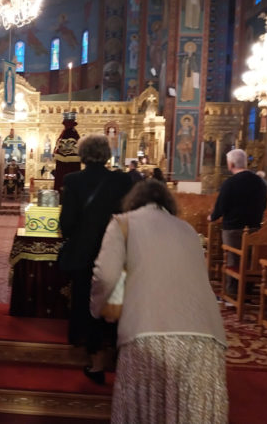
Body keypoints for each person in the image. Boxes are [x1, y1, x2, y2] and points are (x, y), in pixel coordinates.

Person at [91, 180, 227, 422]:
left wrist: (96, 307)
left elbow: (106, 275)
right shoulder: (187, 229)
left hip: (149, 335)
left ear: (133, 202)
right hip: (206, 335)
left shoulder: (122, 223)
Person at [59, 134, 132, 384]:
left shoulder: (73, 181)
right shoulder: (123, 181)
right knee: (114, 299)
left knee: (87, 301)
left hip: (83, 252)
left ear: (82, 155)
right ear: (107, 155)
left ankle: (95, 358)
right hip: (116, 250)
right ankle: (116, 354)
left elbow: (67, 224)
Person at [208, 149, 267, 292]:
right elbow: (264, 204)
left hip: (233, 228)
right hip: (254, 228)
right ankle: (247, 290)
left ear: (231, 164)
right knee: (249, 260)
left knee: (233, 260)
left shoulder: (230, 183)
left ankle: (232, 292)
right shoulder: (259, 182)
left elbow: (221, 206)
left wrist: (212, 217)